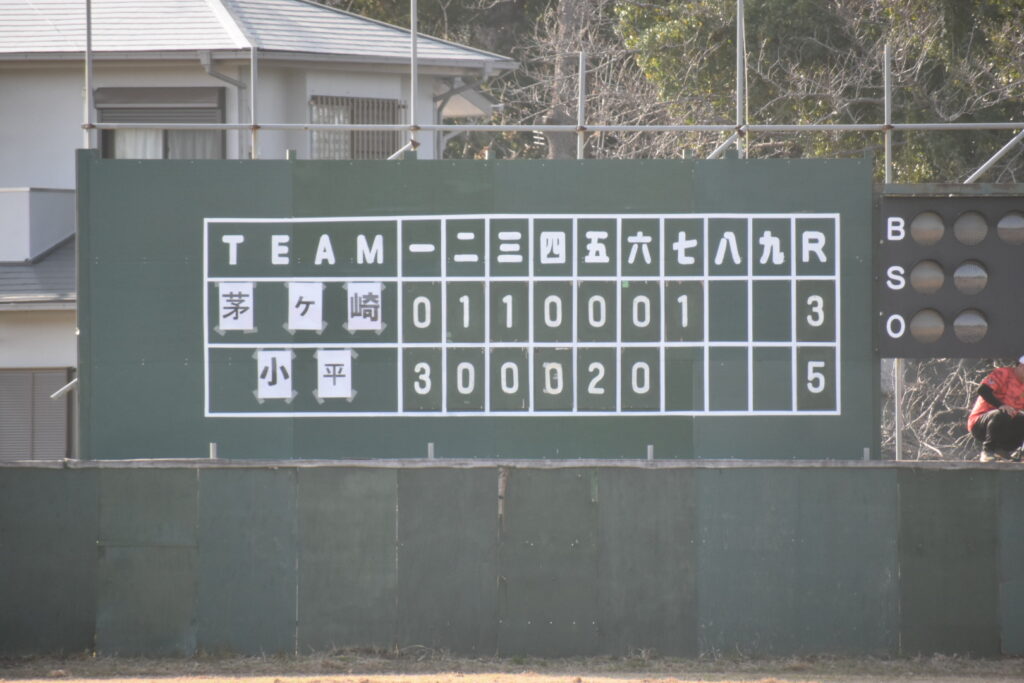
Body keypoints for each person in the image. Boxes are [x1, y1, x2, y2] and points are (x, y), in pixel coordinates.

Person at [967, 356, 1024, 462]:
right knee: (1003, 414)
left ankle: (1003, 451)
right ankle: (988, 452)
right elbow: (983, 390)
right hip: (981, 424)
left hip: (1006, 427)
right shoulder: (1003, 373)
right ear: (1021, 366)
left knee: (1020, 419)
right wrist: (1000, 405)